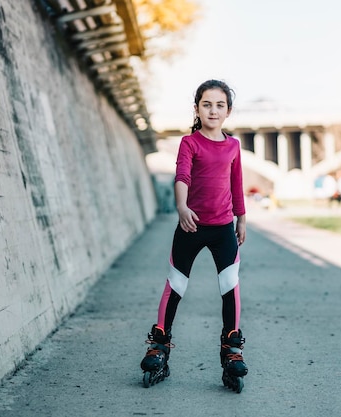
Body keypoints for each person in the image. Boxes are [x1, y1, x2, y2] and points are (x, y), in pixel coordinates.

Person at [140, 80, 248, 393]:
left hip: (224, 228)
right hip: (191, 226)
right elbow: (182, 175)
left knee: (229, 286)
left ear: (228, 111)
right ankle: (159, 344)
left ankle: (231, 349)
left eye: (220, 105)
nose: (213, 110)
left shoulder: (233, 146)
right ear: (197, 108)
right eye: (207, 104)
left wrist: (242, 220)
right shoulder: (190, 143)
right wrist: (182, 207)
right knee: (176, 285)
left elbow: (236, 185)